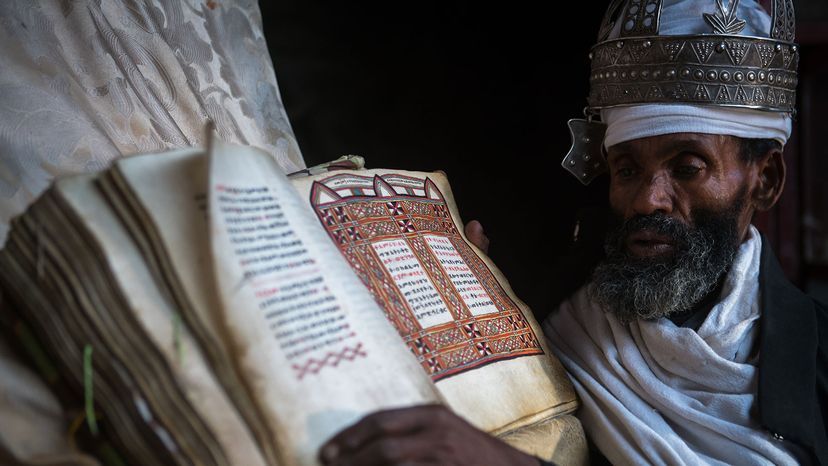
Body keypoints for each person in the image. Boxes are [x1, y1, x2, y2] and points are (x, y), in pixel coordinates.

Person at [318, 0, 828, 465]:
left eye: (688, 167)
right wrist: (459, 328)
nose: (647, 199)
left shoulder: (817, 359)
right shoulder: (549, 316)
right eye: (626, 170)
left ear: (766, 181)